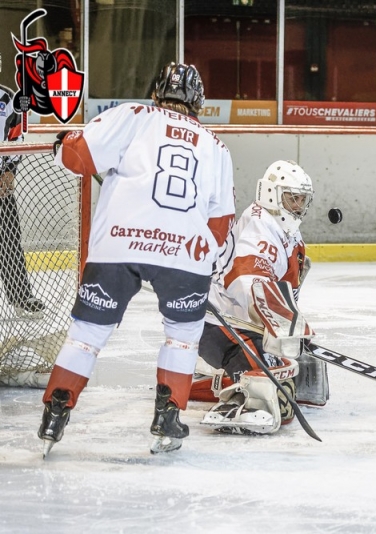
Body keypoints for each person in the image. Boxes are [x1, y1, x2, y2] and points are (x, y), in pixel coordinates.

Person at [38, 62, 236, 456]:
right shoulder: (217, 147)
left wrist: (63, 143)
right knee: (182, 339)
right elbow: (220, 221)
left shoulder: (132, 115)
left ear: (155, 92)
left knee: (87, 336)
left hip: (118, 245)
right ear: (199, 101)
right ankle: (168, 416)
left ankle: (55, 411)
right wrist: (200, 259)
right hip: (183, 253)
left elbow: (78, 157)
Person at [192, 159, 329, 436]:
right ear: (271, 194)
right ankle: (228, 391)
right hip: (220, 324)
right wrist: (282, 325)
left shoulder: (284, 227)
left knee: (299, 366)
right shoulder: (259, 227)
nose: (299, 206)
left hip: (243, 323)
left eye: (302, 200)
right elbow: (248, 282)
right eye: (293, 198)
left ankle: (212, 377)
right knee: (276, 385)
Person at [1, 82, 45, 317]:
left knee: (9, 238)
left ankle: (21, 296)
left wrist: (10, 170)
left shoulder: (6, 98)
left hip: (0, 182)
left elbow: (16, 134)